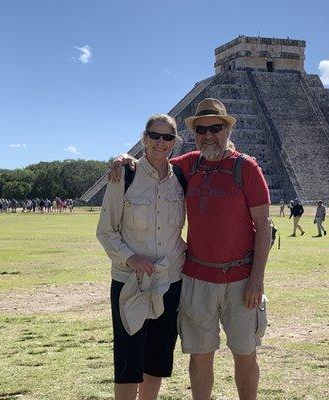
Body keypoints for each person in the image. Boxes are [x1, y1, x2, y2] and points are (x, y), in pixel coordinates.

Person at [110, 98, 271, 400]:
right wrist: (124, 158)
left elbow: (264, 225)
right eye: (201, 129)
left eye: (215, 128)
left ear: (227, 129)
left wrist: (257, 279)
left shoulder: (246, 167)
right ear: (195, 134)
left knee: (245, 353)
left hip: (240, 279)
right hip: (197, 278)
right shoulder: (188, 165)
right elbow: (154, 163)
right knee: (200, 355)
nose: (208, 135)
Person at [98, 114, 186, 400]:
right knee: (128, 359)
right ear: (144, 138)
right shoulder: (125, 174)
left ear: (175, 142)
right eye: (155, 136)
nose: (161, 142)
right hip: (131, 282)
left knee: (157, 359)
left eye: (168, 137)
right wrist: (130, 258)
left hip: (170, 280)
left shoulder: (182, 178)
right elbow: (106, 231)